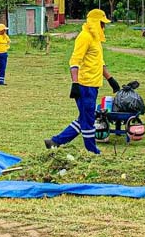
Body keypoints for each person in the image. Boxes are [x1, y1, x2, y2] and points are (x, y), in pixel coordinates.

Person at [44, 9, 120, 155]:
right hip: (84, 85)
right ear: (95, 22)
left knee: (84, 117)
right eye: (102, 23)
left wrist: (110, 79)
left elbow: (99, 62)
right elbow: (75, 60)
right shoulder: (84, 37)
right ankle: (92, 150)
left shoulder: (95, 38)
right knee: (88, 120)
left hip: (93, 85)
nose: (104, 27)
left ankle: (55, 142)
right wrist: (75, 83)